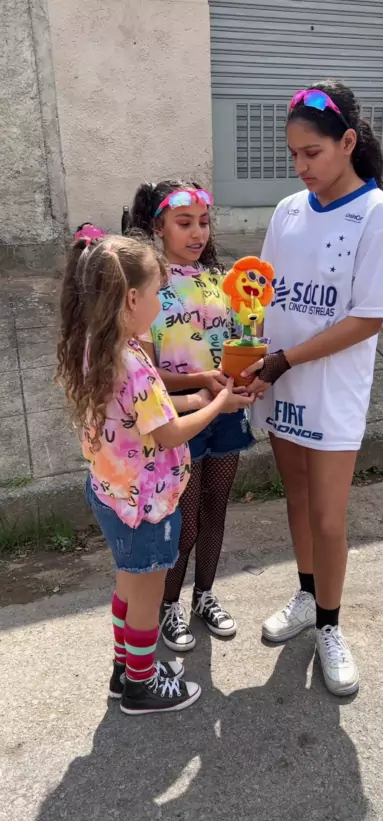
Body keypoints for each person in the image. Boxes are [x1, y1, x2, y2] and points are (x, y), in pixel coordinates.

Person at [245, 81, 383, 696]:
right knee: (297, 498)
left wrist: (285, 359)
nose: (301, 166)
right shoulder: (288, 211)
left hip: (331, 387)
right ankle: (307, 596)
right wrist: (248, 349)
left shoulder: (377, 213)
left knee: (328, 517)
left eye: (312, 152)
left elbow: (369, 317)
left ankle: (331, 627)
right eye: (294, 155)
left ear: (348, 142)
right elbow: (261, 290)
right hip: (279, 380)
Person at [56, 234, 253, 714]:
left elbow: (148, 411)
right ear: (131, 299)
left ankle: (126, 670)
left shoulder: (97, 346)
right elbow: (168, 433)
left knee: (128, 586)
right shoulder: (134, 363)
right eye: (157, 293)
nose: (161, 303)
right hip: (147, 503)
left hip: (114, 494)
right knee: (145, 597)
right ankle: (141, 687)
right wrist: (220, 405)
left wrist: (200, 395)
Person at [127, 181, 254, 652]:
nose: (197, 232)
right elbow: (143, 368)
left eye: (203, 222)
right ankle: (168, 604)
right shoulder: (147, 286)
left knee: (216, 507)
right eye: (184, 223)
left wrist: (250, 367)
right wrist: (203, 381)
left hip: (225, 410)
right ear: (159, 227)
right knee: (185, 519)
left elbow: (237, 340)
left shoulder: (221, 281)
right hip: (179, 416)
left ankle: (205, 595)